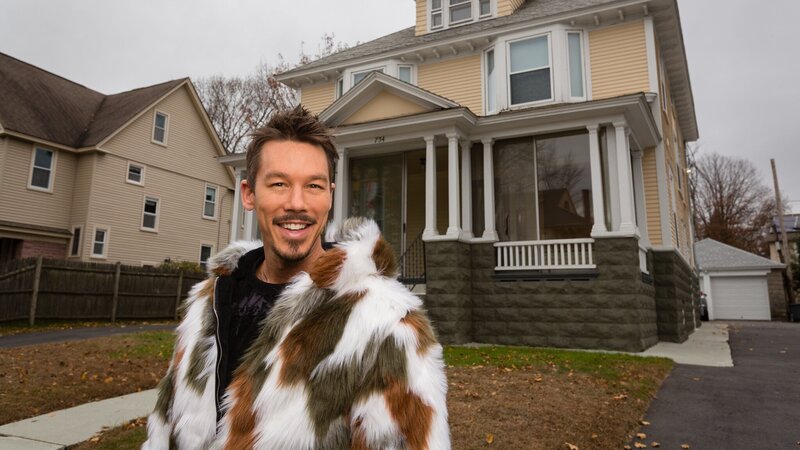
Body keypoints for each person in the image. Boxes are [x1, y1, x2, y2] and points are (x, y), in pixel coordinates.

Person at [143, 105, 450, 450]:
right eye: (278, 183)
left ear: (330, 195)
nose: (297, 203)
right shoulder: (208, 305)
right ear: (248, 193)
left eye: (314, 186)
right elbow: (166, 430)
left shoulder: (386, 323)